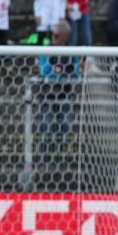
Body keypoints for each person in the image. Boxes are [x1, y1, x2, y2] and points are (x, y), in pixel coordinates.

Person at [37, 20, 80, 158]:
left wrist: (57, 72)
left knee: (65, 127)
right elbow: (44, 71)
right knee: (48, 128)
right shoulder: (45, 50)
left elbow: (76, 73)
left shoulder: (72, 52)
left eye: (56, 36)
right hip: (47, 95)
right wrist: (61, 71)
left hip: (65, 95)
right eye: (52, 35)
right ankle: (46, 158)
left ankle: (63, 157)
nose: (52, 38)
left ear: (65, 38)